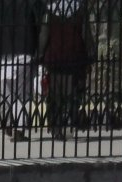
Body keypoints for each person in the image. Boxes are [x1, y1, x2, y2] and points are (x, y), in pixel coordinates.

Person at [0, 0, 43, 139]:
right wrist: (39, 50)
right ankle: (19, 127)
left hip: (2, 50)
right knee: (22, 92)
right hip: (24, 48)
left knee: (6, 90)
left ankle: (7, 121)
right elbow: (39, 26)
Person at [39, 0, 95, 141]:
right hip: (74, 56)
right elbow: (86, 34)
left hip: (55, 57)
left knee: (56, 94)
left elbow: (44, 36)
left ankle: (57, 126)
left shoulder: (50, 11)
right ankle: (70, 123)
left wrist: (39, 54)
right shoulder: (79, 9)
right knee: (72, 93)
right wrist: (91, 55)